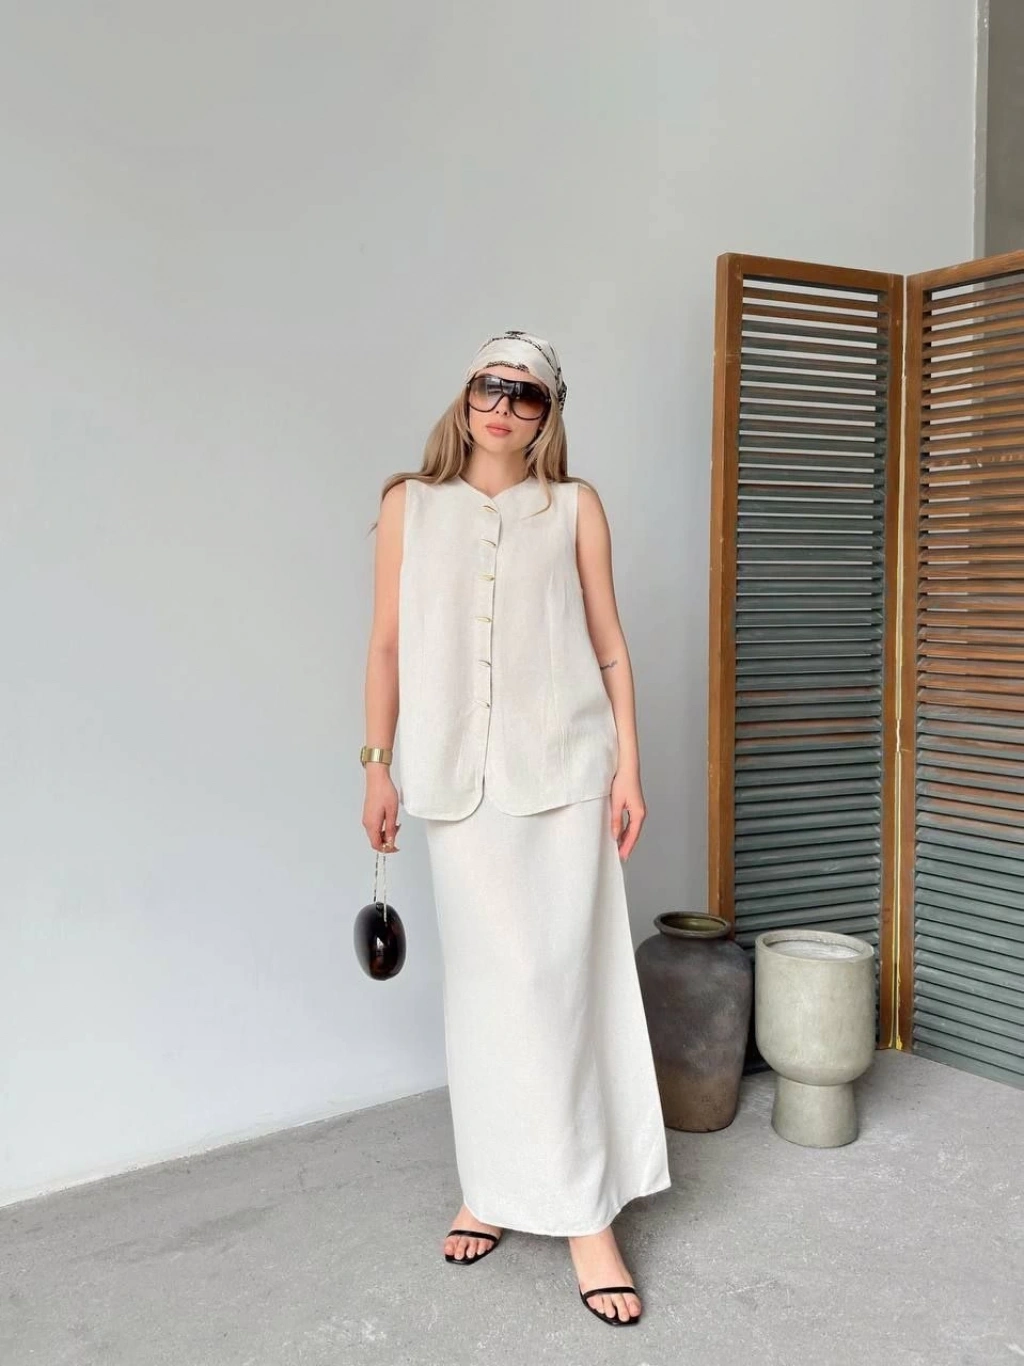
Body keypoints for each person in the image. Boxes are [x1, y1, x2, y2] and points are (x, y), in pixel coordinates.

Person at [361, 330, 671, 1326]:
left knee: (560, 987)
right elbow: (386, 647)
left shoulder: (574, 507)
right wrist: (376, 765)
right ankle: (490, 1186)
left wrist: (630, 765)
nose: (501, 406)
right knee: (487, 995)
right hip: (456, 783)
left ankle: (586, 1214)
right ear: (464, 396)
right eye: (488, 387)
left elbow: (609, 645)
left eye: (524, 394)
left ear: (548, 414)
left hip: (568, 777)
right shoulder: (408, 505)